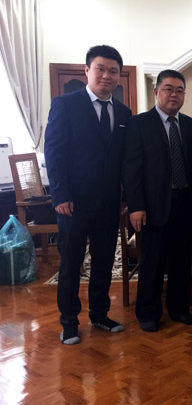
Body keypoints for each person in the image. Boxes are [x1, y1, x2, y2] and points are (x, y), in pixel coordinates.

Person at [45, 45, 132, 345]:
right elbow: (54, 152)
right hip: (73, 202)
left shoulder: (123, 112)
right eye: (100, 69)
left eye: (113, 71)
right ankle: (69, 322)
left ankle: (99, 314)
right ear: (87, 70)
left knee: (104, 260)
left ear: (118, 76)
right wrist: (60, 195)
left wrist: (126, 198)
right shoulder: (65, 105)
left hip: (108, 202)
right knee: (71, 262)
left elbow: (123, 160)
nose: (106, 76)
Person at [122, 69, 192, 333]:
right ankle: (148, 312)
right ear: (157, 92)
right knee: (152, 262)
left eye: (179, 90)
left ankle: (179, 308)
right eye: (168, 89)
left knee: (181, 261)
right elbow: (131, 169)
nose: (174, 94)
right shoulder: (139, 123)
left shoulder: (191, 126)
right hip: (152, 205)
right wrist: (136, 206)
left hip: (184, 203)